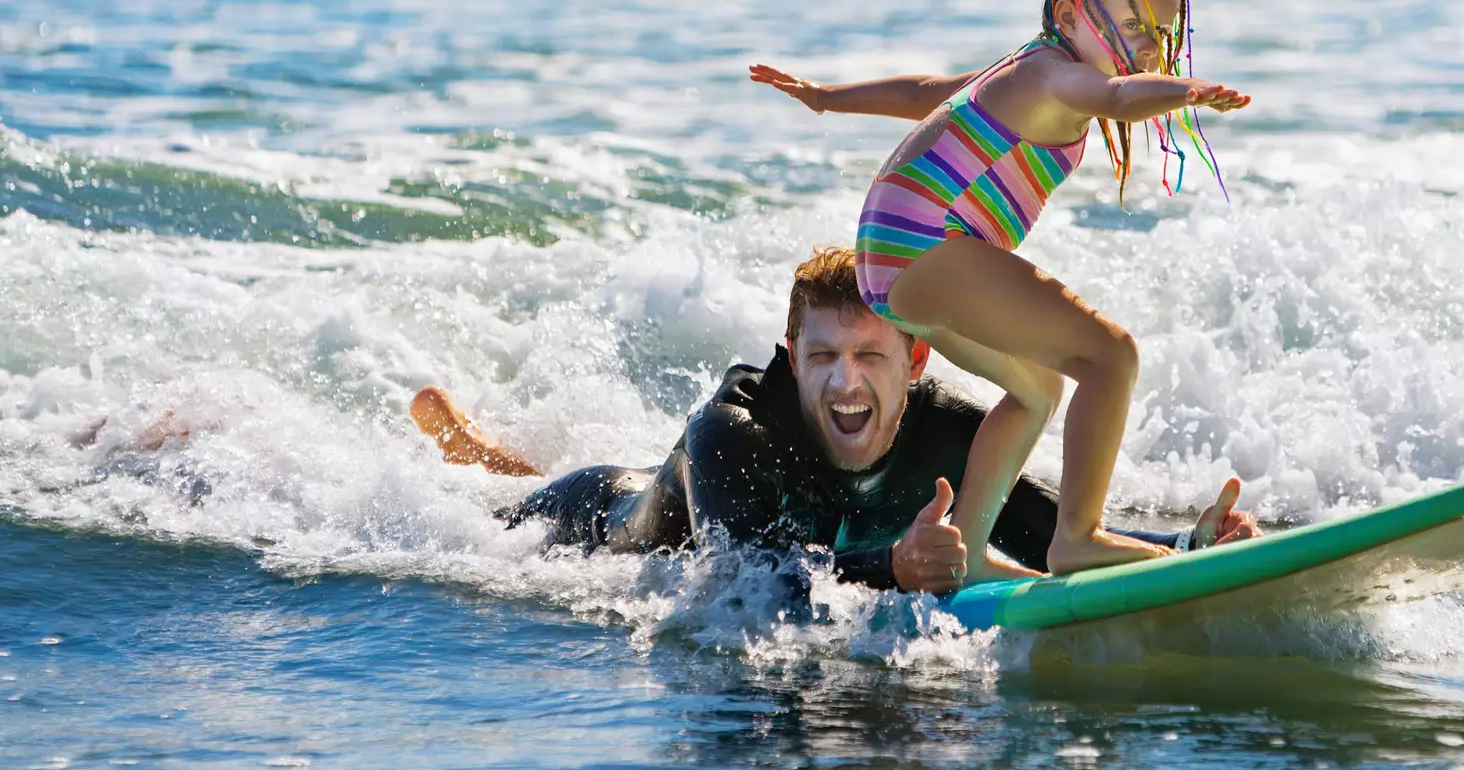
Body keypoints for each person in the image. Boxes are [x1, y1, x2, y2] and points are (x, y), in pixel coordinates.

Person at [748, 0, 1249, 584]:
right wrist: (1186, 91)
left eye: (1156, 34)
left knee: (1037, 389)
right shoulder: (1059, 75)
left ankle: (972, 548)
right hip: (926, 242)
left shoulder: (1021, 68)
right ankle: (1077, 539)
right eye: (1129, 26)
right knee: (1112, 355)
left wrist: (826, 98)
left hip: (894, 259)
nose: (1143, 50)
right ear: (1070, 15)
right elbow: (1118, 98)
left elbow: (922, 92)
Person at [411, 246, 1258, 593]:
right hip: (600, 524)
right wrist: (894, 563)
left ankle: (480, 446)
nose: (844, 383)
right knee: (485, 514)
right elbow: (740, 575)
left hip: (799, 535)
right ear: (791, 349)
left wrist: (1185, 549)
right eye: (821, 357)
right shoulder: (733, 428)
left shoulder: (949, 432)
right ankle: (475, 452)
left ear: (915, 359)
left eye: (870, 356)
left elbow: (1046, 532)